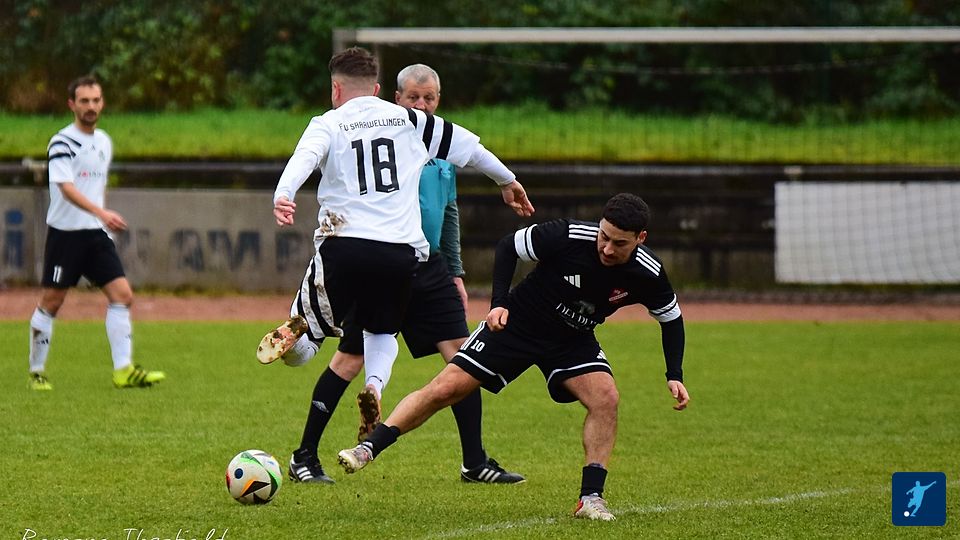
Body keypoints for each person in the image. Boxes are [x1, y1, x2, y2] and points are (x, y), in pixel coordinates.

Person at [337, 193, 690, 521]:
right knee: (447, 388)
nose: (608, 249)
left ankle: (590, 499)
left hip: (572, 338)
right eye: (604, 236)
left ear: (640, 238)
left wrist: (674, 373)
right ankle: (369, 448)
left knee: (606, 398)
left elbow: (671, 318)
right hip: (518, 324)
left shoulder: (648, 272)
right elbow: (509, 246)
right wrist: (499, 304)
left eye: (619, 243)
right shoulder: (567, 235)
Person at [256, 46, 534, 457]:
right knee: (382, 331)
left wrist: (284, 195)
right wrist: (508, 181)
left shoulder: (328, 122)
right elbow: (471, 149)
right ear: (378, 89)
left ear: (336, 89)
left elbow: (305, 157)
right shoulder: (410, 120)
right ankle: (374, 385)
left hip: (344, 245)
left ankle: (301, 334)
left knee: (307, 344)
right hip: (401, 254)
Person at [27, 75, 165, 390]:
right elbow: (66, 188)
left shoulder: (103, 140)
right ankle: (36, 372)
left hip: (95, 234)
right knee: (52, 301)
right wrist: (102, 213)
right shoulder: (62, 142)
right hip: (66, 235)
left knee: (122, 296)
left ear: (102, 103)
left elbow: (96, 186)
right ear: (72, 104)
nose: (91, 106)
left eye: (96, 100)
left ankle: (123, 370)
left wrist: (101, 221)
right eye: (84, 101)